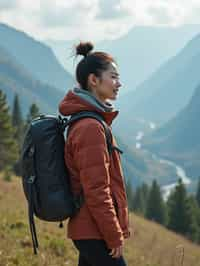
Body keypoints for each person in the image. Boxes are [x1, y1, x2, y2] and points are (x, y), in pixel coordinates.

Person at [59, 42, 130, 266]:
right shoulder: (90, 127)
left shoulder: (91, 121)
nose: (119, 83)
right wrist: (113, 234)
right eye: (114, 76)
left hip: (90, 228)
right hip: (95, 231)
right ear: (94, 80)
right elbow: (97, 190)